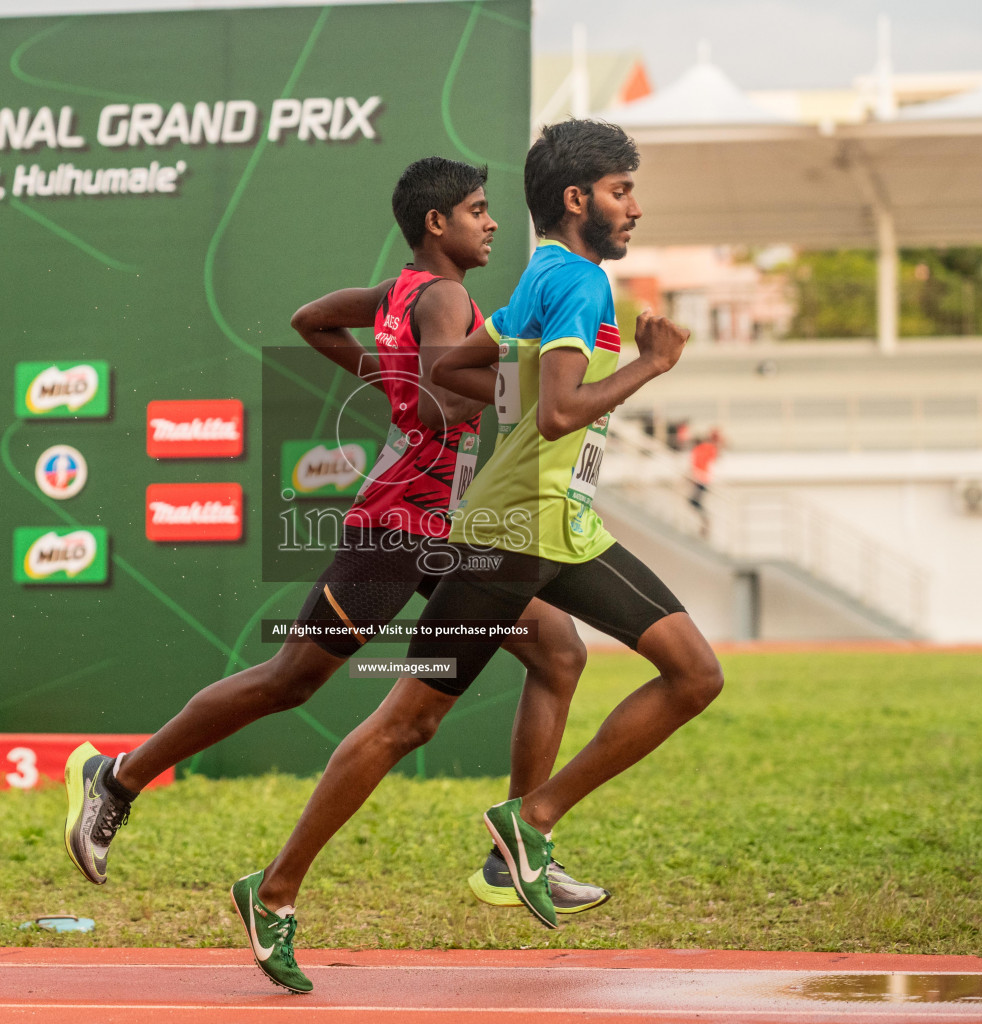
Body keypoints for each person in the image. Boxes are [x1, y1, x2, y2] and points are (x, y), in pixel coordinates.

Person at [63, 157, 607, 993]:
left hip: (447, 532)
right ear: (437, 226)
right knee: (292, 681)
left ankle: (515, 852)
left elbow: (312, 319)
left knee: (556, 651)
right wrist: (502, 380)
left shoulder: (401, 293)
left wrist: (385, 376)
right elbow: (439, 403)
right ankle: (120, 777)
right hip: (399, 529)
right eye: (476, 211)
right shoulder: (448, 300)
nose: (492, 224)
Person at [236, 120, 724, 987]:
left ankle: (529, 823)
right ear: (577, 201)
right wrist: (651, 366)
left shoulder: (542, 275)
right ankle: (274, 891)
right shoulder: (578, 285)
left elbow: (458, 365)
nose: (634, 209)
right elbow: (560, 415)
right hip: (508, 539)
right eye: (621, 192)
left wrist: (441, 392)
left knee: (692, 672)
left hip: (556, 528)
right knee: (407, 721)